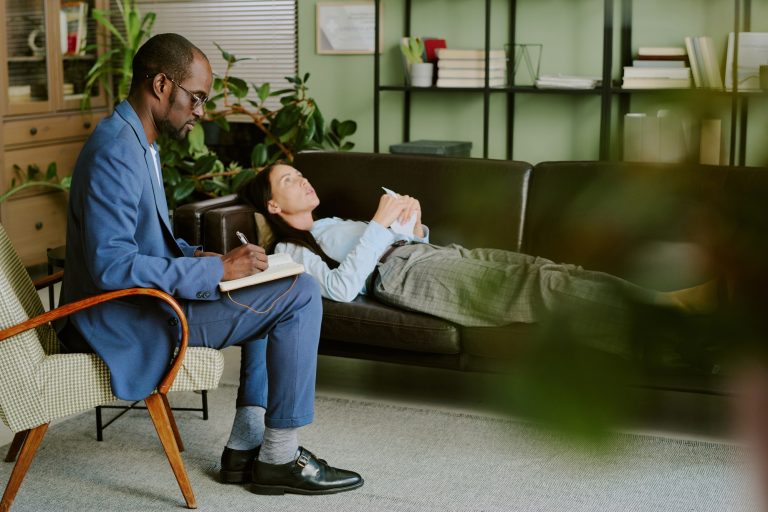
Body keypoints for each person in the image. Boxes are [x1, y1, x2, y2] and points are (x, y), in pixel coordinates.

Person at [57, 33, 362, 496]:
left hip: (142, 303)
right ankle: (278, 457)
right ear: (162, 85)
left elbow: (146, 242)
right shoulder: (117, 151)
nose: (200, 110)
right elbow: (113, 266)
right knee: (298, 295)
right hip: (123, 318)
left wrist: (207, 258)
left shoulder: (138, 140)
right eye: (195, 97)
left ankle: (244, 450)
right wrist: (216, 273)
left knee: (271, 283)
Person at [238, 163, 717, 352]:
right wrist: (382, 226)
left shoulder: (329, 224)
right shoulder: (289, 251)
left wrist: (413, 225)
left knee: (548, 271)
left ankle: (661, 307)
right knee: (542, 290)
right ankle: (668, 314)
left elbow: (395, 243)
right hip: (401, 277)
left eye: (300, 173)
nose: (303, 180)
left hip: (427, 255)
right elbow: (344, 288)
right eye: (289, 181)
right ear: (275, 207)